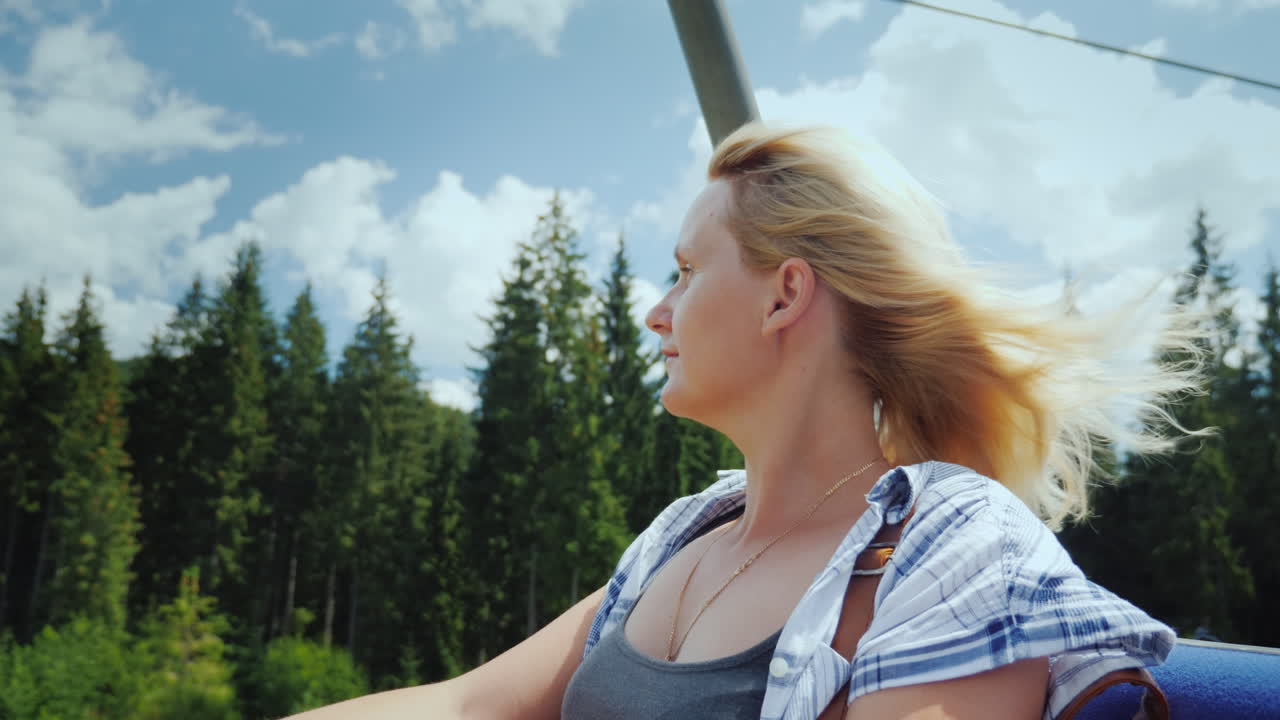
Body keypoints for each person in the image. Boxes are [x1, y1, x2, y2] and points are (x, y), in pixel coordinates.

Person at [289, 124, 1204, 719]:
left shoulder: (955, 550)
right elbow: (462, 709)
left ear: (784, 296)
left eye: (686, 271)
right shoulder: (681, 538)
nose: (658, 311)